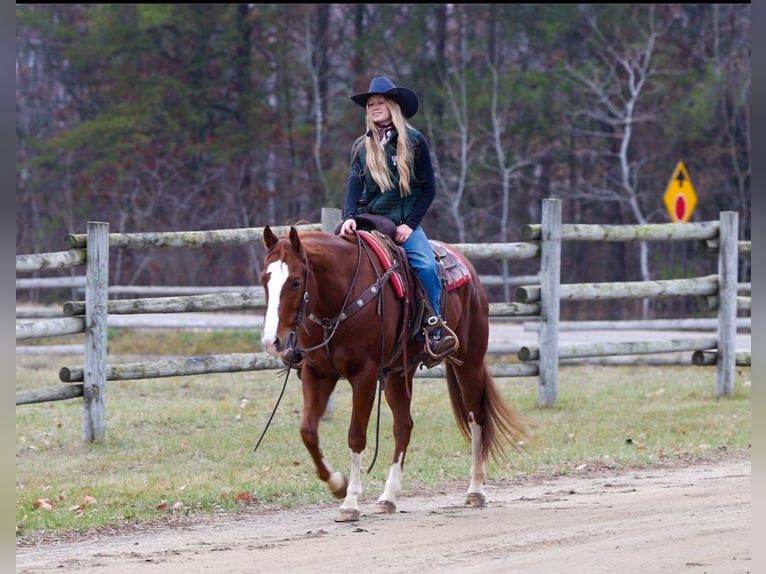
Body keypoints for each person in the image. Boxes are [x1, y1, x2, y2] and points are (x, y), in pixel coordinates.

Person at [338, 76, 456, 360]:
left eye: (379, 103)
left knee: (426, 266)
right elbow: (353, 187)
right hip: (371, 221)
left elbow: (428, 190)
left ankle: (434, 328)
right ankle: (325, 332)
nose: (374, 108)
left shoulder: (415, 142)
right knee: (333, 263)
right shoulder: (361, 146)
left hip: (404, 223)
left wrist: (409, 225)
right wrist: (348, 218)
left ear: (393, 106)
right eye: (370, 104)